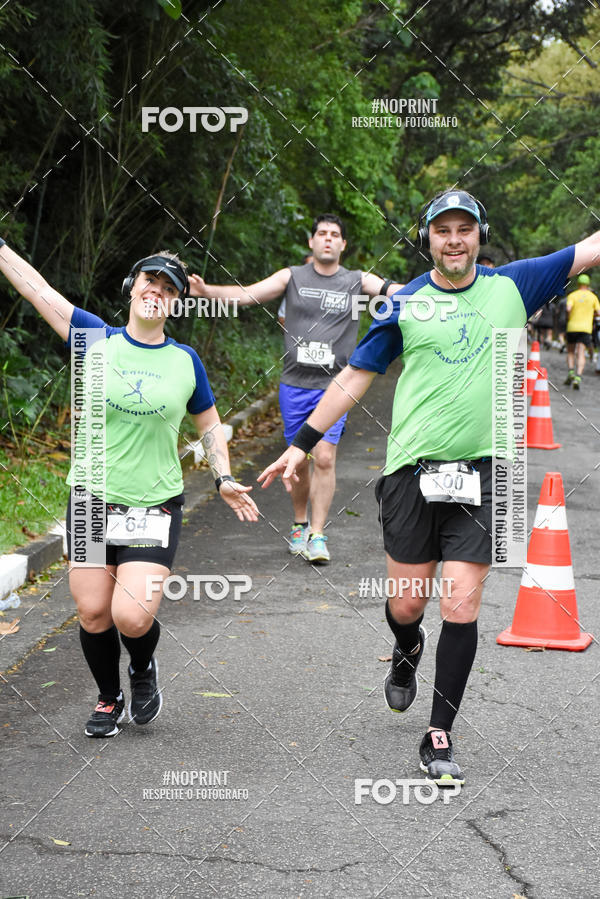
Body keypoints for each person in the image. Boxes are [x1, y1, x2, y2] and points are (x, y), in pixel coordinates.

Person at [257, 188, 598, 785]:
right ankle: (407, 645)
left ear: (478, 236)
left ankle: (439, 733)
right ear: (428, 239)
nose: (455, 239)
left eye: (465, 229)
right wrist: (300, 444)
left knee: (460, 602)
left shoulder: (515, 285)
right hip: (412, 472)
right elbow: (355, 376)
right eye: (443, 230)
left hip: (489, 472)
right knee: (408, 604)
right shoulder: (406, 303)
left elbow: (590, 249)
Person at [0, 239, 258, 738]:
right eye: (149, 282)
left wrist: (222, 476)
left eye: (168, 289)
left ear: (177, 303)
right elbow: (38, 290)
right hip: (92, 501)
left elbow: (208, 422)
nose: (155, 293)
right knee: (94, 611)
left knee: (132, 617)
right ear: (132, 287)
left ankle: (141, 666)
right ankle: (108, 697)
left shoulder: (185, 361)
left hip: (154, 503)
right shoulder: (94, 338)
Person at [189, 214, 400, 564]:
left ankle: (318, 534)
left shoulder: (357, 280)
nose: (328, 239)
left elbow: (398, 292)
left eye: (335, 235)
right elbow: (248, 295)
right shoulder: (292, 276)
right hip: (295, 385)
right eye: (322, 234)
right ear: (311, 242)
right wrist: (206, 292)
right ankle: (300, 524)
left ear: (344, 244)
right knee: (297, 461)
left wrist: (438, 294)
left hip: (335, 385)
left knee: (326, 456)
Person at [564, 273, 600, 388]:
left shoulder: (573, 295)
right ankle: (578, 377)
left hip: (572, 327)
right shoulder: (593, 297)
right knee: (581, 352)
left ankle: (570, 372)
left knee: (570, 351)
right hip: (586, 328)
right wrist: (591, 314)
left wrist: (569, 317)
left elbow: (568, 309)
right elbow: (598, 313)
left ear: (578, 283)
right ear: (588, 284)